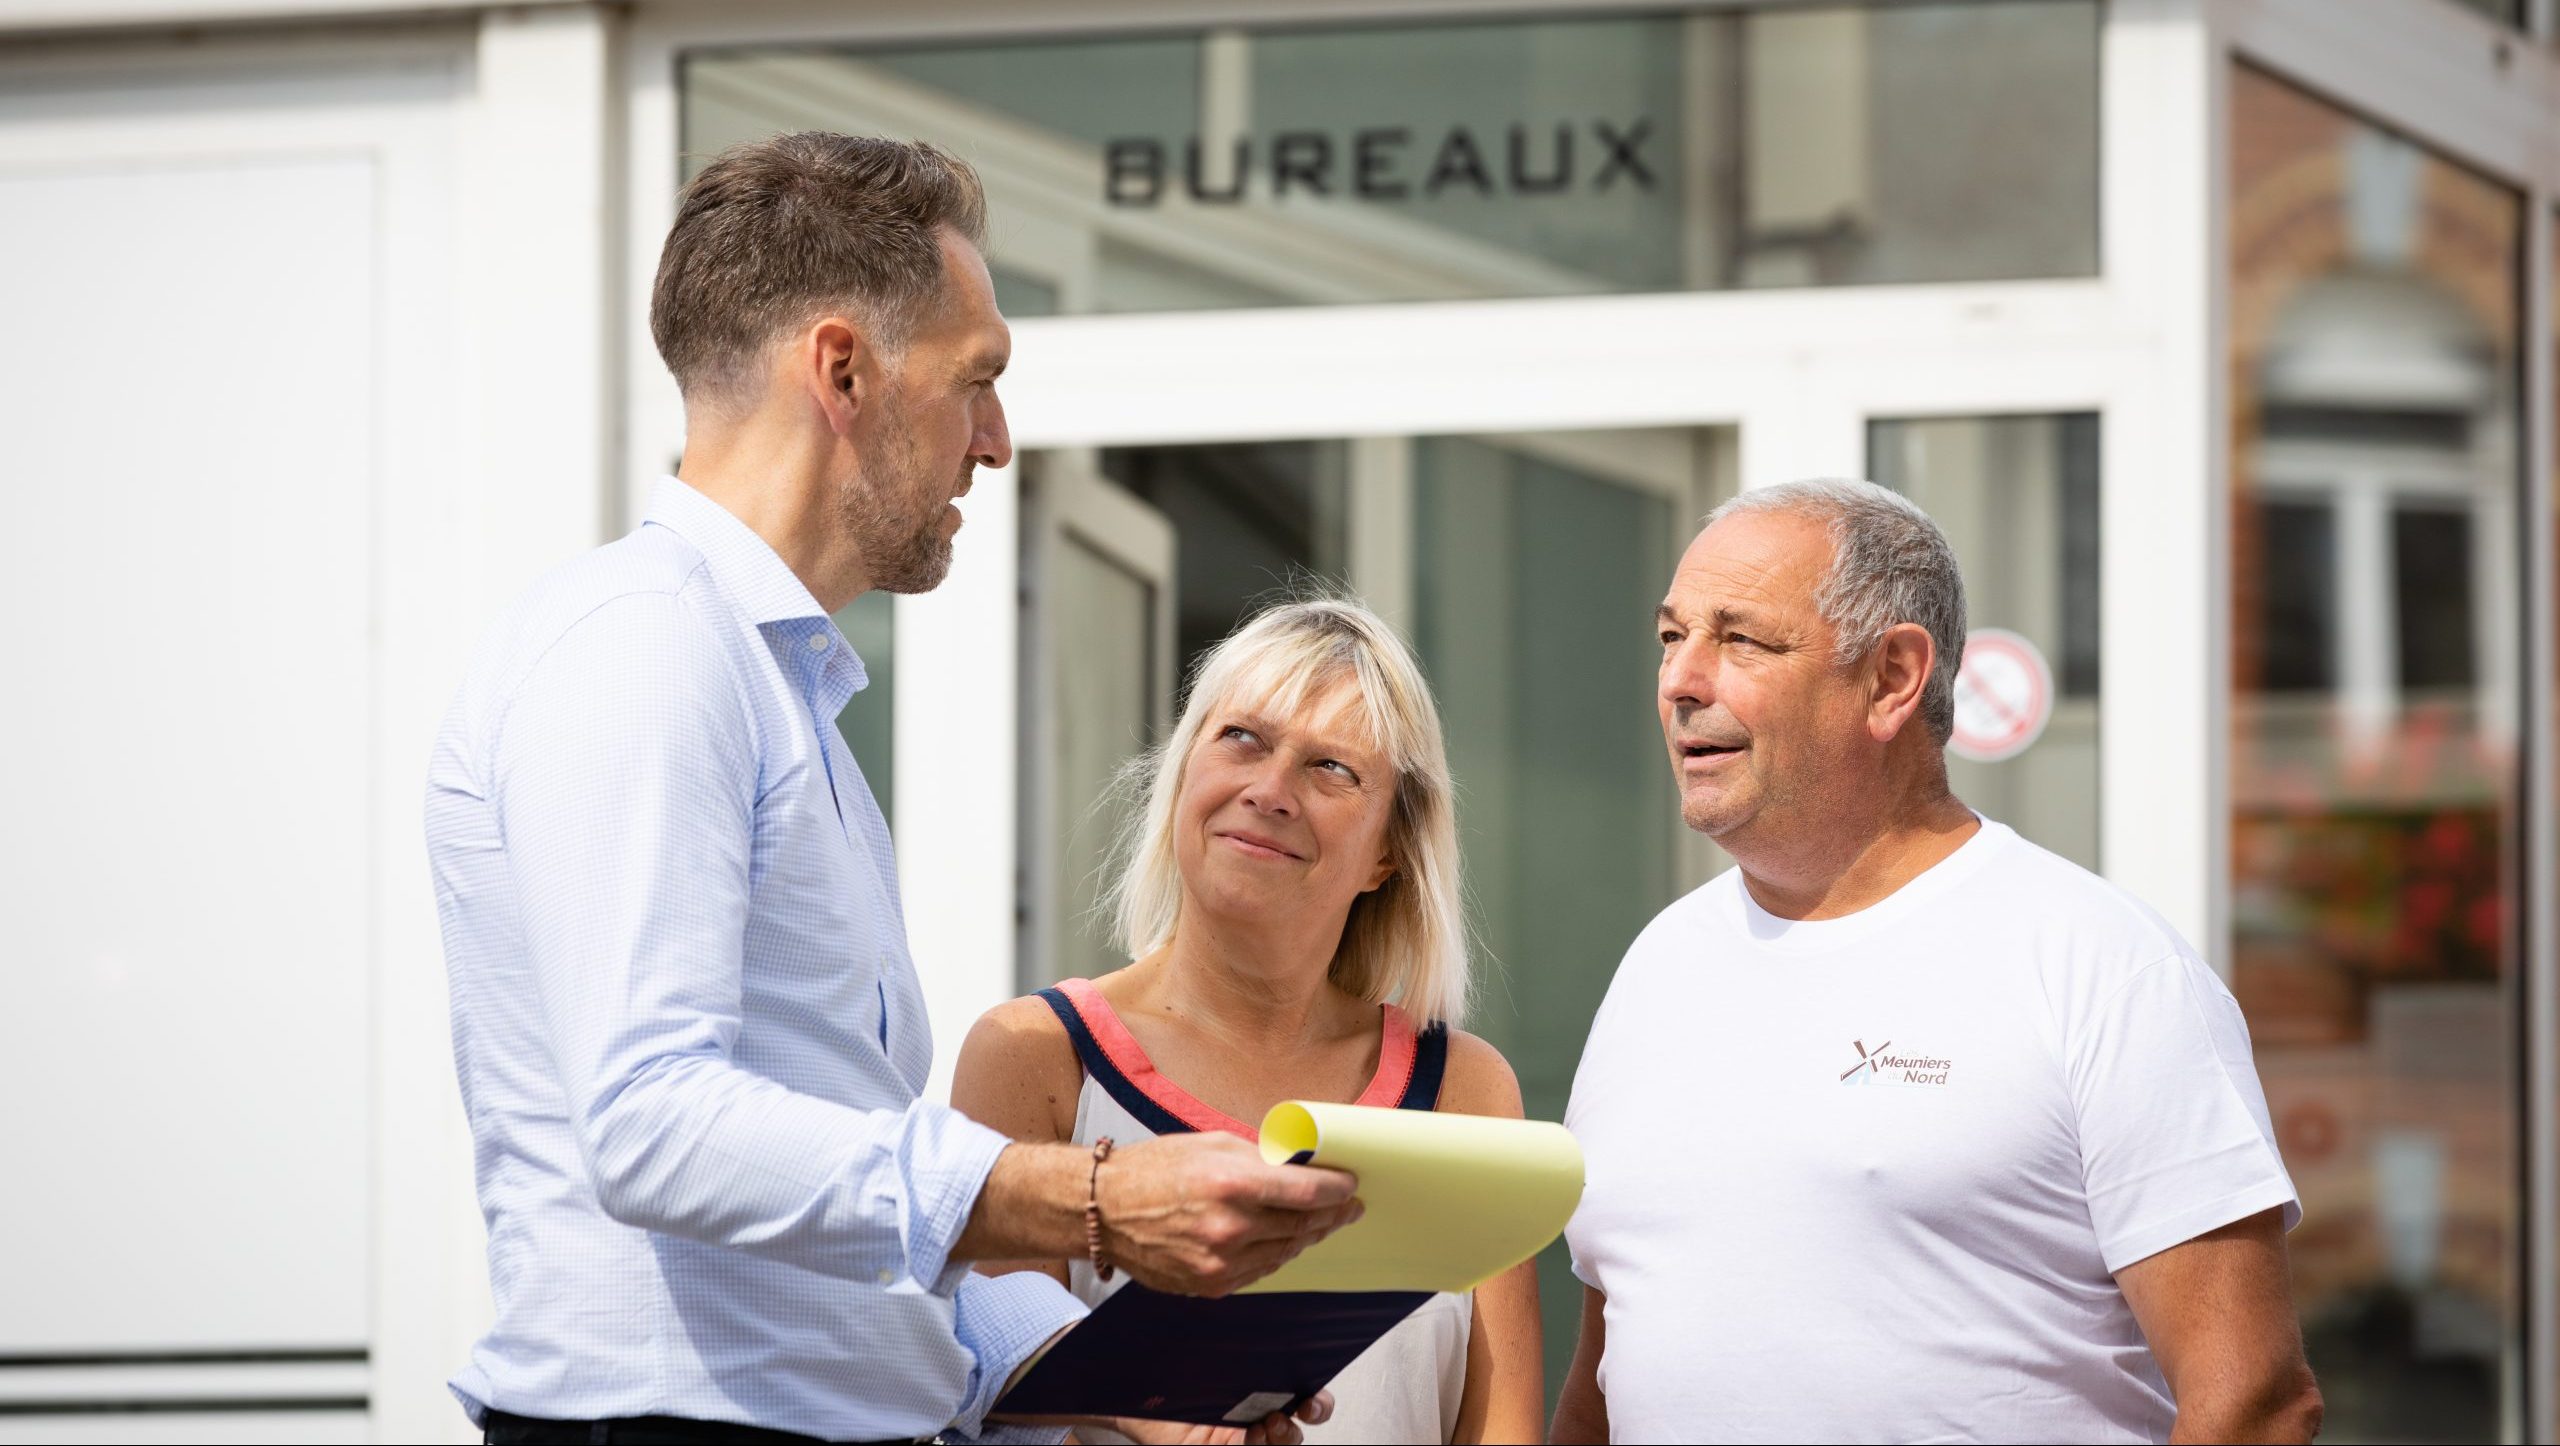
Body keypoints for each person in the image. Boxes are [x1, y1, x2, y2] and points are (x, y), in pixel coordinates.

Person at [424, 133, 1359, 1446]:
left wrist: (1142, 1383)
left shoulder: (767, 683)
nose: (998, 441)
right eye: (976, 380)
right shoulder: (644, 648)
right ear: (844, 369)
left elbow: (846, 1255)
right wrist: (1088, 1199)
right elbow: (653, 1127)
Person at [1550, 479, 2323, 1445]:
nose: (1682, 680)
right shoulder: (1657, 969)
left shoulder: (2098, 964)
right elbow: (1606, 1378)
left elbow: (2254, 1403)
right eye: (1673, 637)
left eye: (1741, 638)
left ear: (1892, 679)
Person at [952, 599, 1546, 1445]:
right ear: (1185, 770)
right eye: (1242, 739)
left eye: (1331, 769)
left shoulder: (1464, 1090)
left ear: (1389, 851)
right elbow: (995, 1409)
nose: (1270, 791)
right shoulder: (1038, 1059)